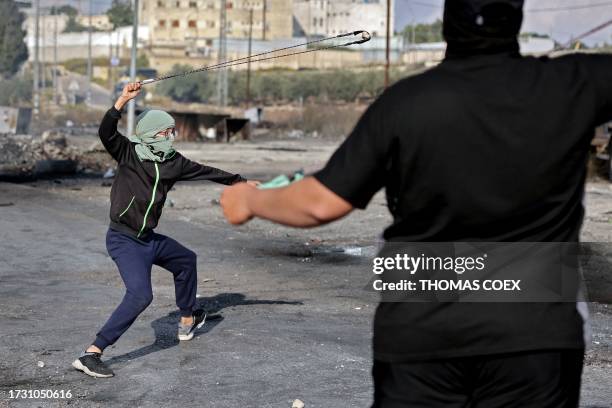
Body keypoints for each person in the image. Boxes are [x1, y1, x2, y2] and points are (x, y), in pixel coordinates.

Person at [219, 0, 612, 406]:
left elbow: (322, 202)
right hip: (535, 334)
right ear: (516, 18)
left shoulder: (405, 103)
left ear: (445, 24)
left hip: (421, 331)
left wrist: (249, 199)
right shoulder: (573, 84)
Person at [73, 82, 258, 378]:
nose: (171, 136)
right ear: (151, 134)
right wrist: (122, 100)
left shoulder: (174, 163)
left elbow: (206, 171)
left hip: (148, 240)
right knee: (139, 296)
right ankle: (91, 353)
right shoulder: (128, 152)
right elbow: (106, 132)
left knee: (185, 260)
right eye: (166, 132)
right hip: (123, 239)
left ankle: (187, 319)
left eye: (172, 132)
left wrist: (240, 181)